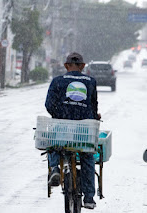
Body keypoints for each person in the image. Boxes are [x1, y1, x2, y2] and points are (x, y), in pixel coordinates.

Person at [45, 52, 101, 209]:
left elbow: (49, 104)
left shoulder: (57, 81)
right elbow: (93, 105)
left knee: (53, 143)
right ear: (82, 66)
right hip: (84, 130)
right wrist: (93, 116)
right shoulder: (91, 82)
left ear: (66, 66)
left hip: (63, 127)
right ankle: (89, 197)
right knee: (87, 156)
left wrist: (60, 115)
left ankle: (55, 168)